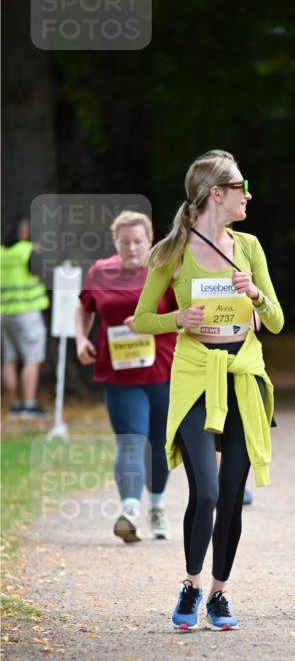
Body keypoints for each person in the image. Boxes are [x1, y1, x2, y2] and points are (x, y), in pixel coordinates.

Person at [133, 149, 284, 632]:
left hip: (243, 376)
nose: (249, 194)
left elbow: (277, 322)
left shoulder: (251, 247)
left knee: (233, 493)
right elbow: (140, 319)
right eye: (241, 186)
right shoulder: (171, 252)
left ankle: (219, 593)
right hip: (197, 376)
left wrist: (256, 295)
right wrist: (178, 318)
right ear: (216, 194)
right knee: (207, 490)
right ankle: (192, 585)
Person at [74, 210, 176, 543]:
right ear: (116, 242)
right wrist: (81, 338)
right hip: (118, 372)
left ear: (150, 241)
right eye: (125, 242)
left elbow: (185, 314)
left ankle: (157, 507)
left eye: (138, 242)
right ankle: (129, 511)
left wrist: (147, 322)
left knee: (159, 444)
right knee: (130, 440)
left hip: (163, 368)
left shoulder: (165, 269)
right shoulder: (101, 271)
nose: (132, 248)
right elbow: (83, 306)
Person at [1, 217, 49, 418]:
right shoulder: (29, 250)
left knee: (9, 359)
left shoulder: (2, 253)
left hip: (4, 313)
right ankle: (29, 405)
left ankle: (14, 405)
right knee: (32, 358)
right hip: (27, 312)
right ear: (25, 231)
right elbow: (43, 272)